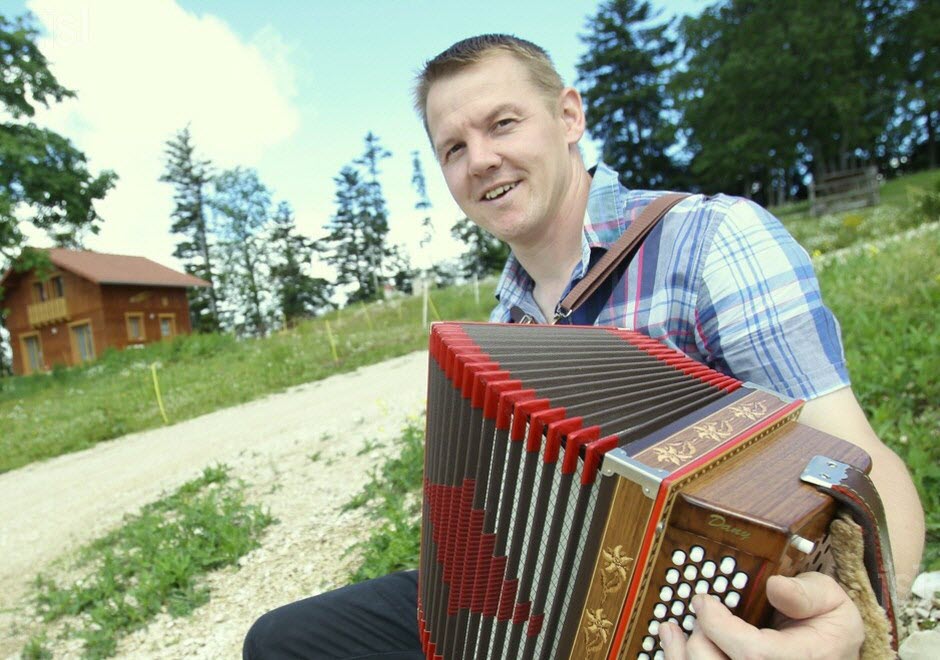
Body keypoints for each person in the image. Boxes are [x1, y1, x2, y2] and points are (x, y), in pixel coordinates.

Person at [244, 34, 924, 659]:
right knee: (285, 642)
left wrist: (854, 628)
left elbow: (859, 465)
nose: (480, 159)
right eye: (453, 148)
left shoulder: (714, 240)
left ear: (569, 117)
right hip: (542, 608)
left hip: (696, 623)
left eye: (502, 124)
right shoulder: (501, 330)